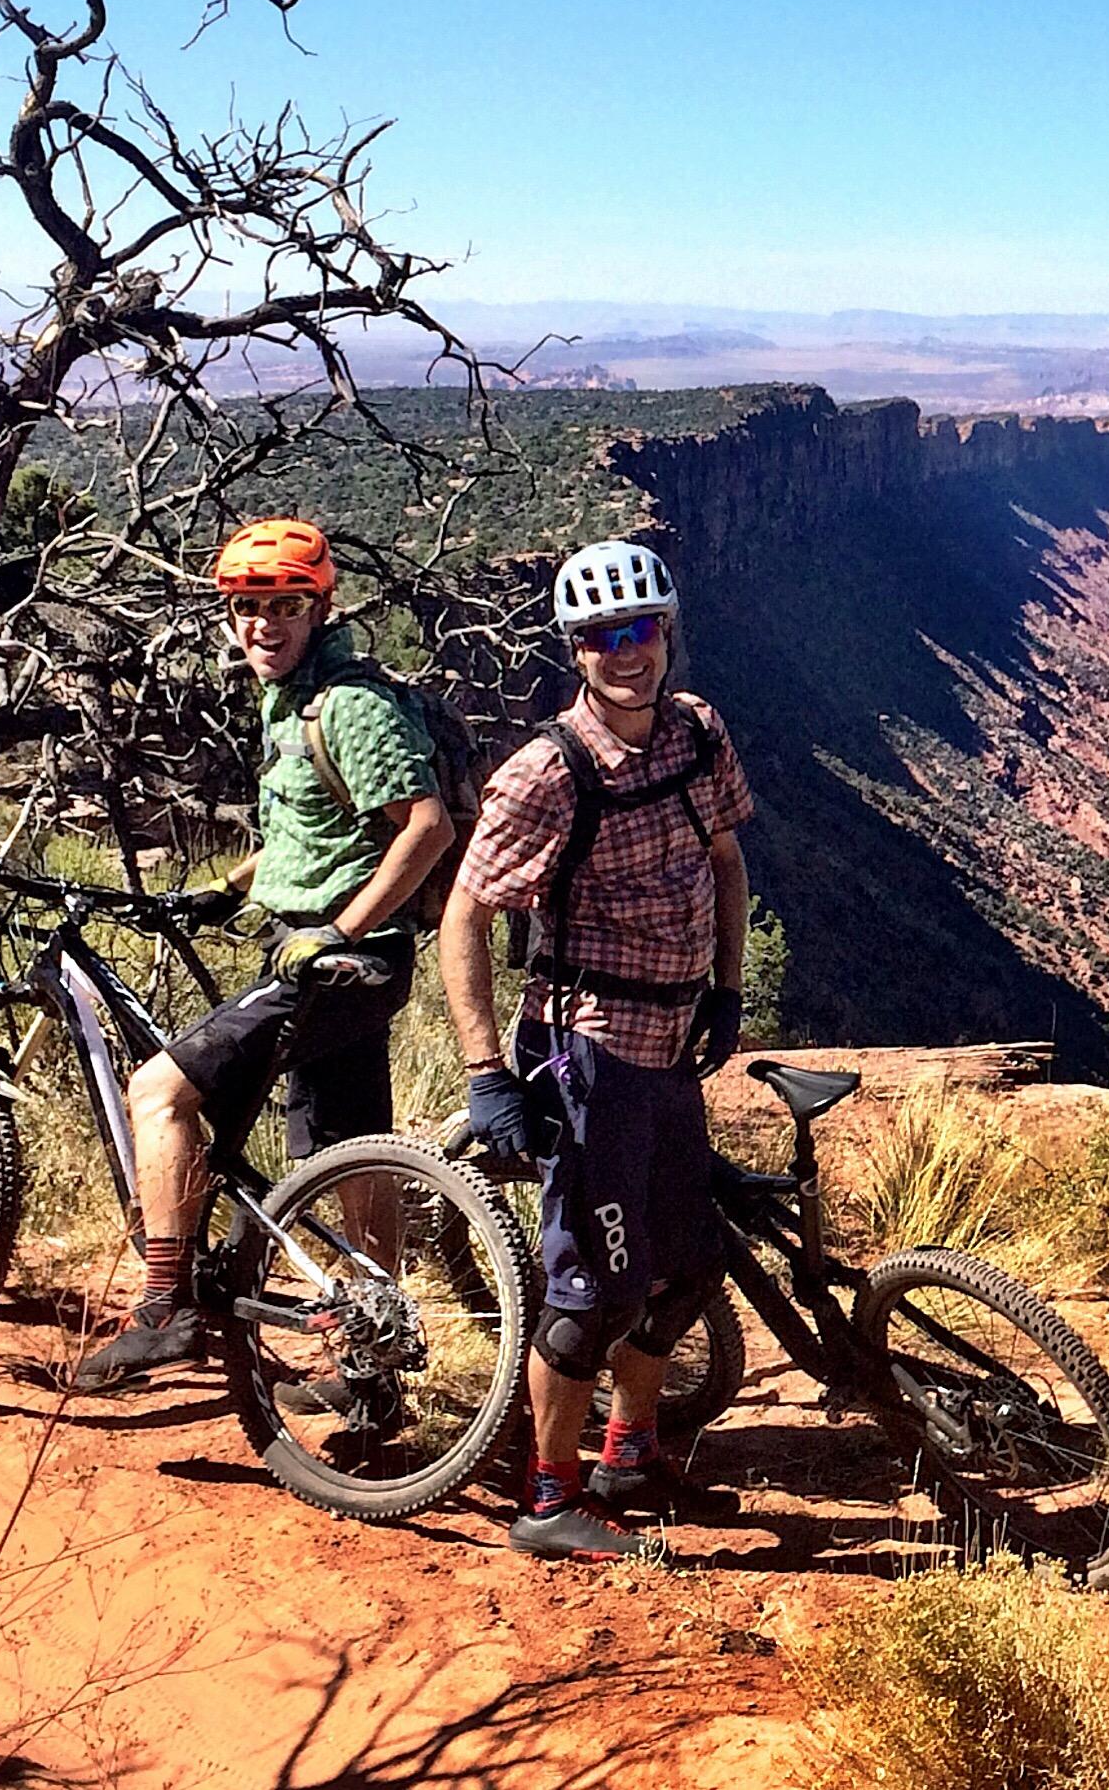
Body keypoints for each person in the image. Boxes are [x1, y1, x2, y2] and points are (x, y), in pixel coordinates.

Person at [76, 517, 455, 1390]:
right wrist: (234, 885)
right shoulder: (287, 700)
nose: (264, 625)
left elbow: (425, 827)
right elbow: (309, 832)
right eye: (248, 607)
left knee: (160, 1090)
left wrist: (338, 930)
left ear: (322, 607)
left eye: (286, 604)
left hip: (334, 964)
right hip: (330, 960)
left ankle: (164, 1307)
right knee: (351, 1150)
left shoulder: (349, 706)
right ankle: (375, 1352)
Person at [439, 539, 753, 1561]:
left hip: (671, 1040)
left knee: (691, 1265)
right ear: (577, 651)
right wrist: (488, 1072)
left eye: (642, 628)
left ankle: (630, 1451)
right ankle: (547, 1498)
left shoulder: (696, 732)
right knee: (591, 1292)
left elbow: (725, 859)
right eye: (604, 636)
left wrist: (728, 986)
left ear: (667, 630)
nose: (628, 653)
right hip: (591, 1049)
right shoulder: (547, 772)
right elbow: (464, 917)